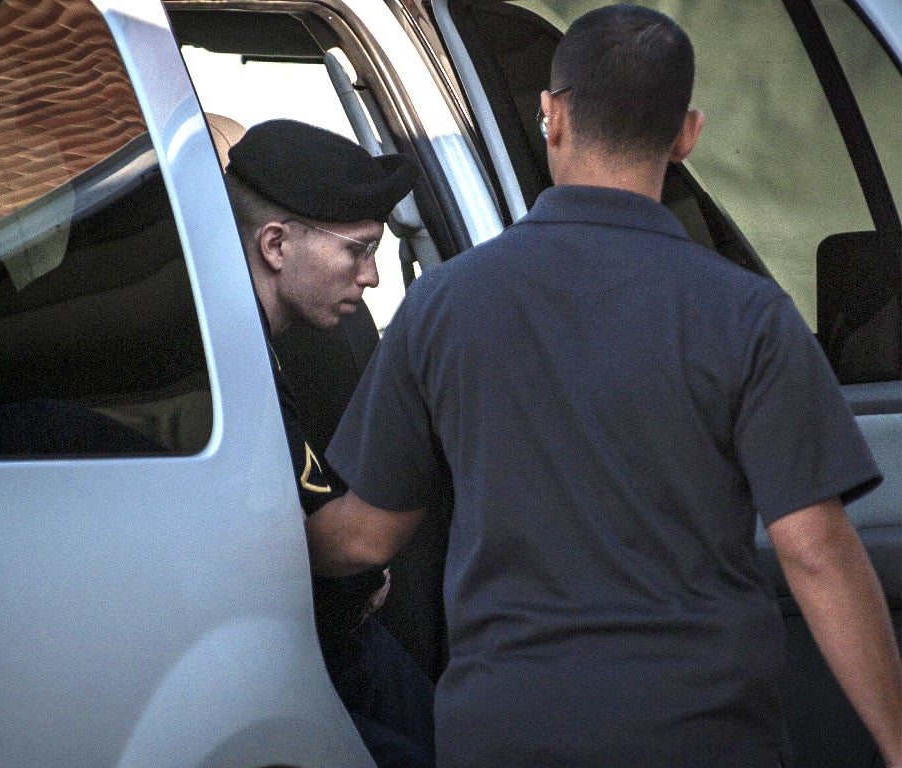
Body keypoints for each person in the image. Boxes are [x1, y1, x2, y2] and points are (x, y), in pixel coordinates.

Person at [303, 5, 902, 768]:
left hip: (504, 735)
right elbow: (815, 549)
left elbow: (366, 536)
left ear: (552, 117)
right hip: (700, 733)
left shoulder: (443, 306)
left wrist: (244, 546)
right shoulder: (748, 315)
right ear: (688, 134)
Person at [216, 117, 435, 768]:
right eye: (357, 250)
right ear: (277, 244)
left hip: (331, 632)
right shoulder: (229, 359)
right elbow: (345, 540)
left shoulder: (260, 347)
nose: (370, 276)